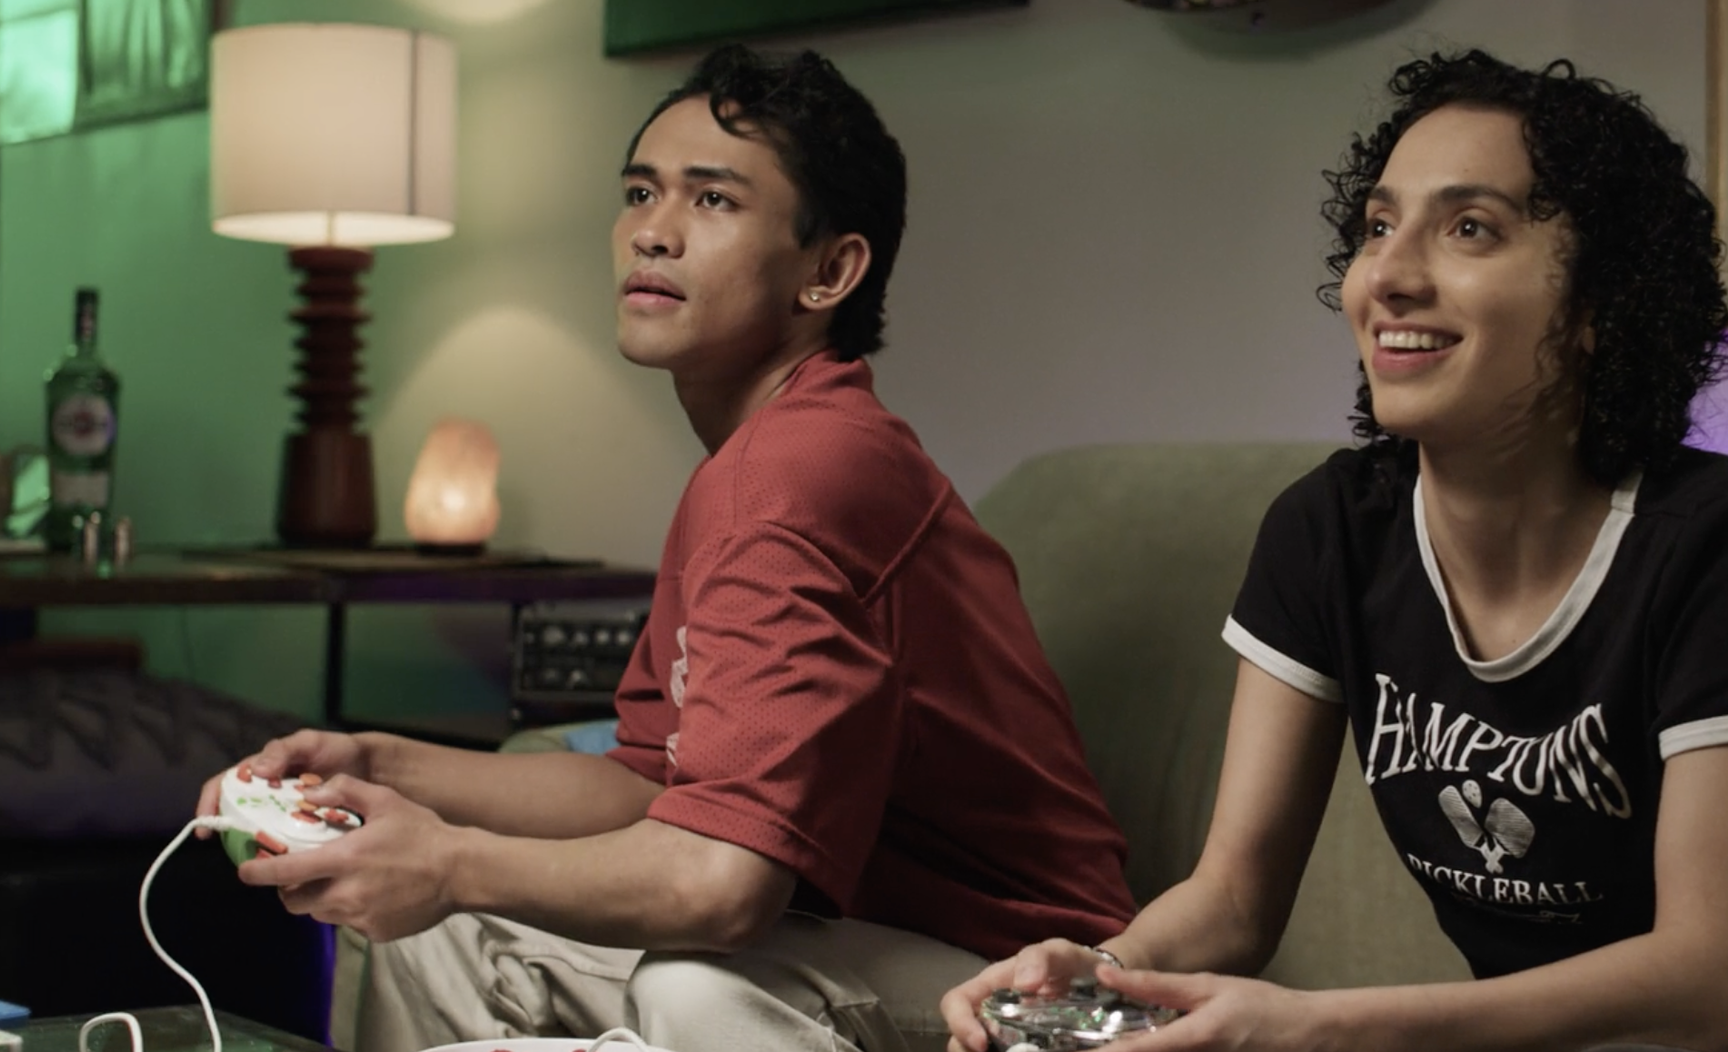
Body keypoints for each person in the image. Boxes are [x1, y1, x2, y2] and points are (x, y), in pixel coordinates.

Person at [941, 50, 1728, 1052]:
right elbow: (1233, 897)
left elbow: (1706, 987)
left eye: (1469, 229)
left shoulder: (1715, 540)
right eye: (1378, 226)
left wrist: (1321, 1026)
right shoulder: (1328, 533)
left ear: (1599, 304)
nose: (1389, 276)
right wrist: (1101, 971)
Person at [200, 43, 1134, 1052]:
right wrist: (378, 763)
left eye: (713, 199)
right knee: (444, 927)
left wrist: (448, 861)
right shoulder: (750, 464)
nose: (652, 230)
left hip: (1026, 991)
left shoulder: (798, 474)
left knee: (695, 982)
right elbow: (647, 781)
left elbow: (723, 883)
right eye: (641, 192)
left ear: (829, 271)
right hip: (863, 944)